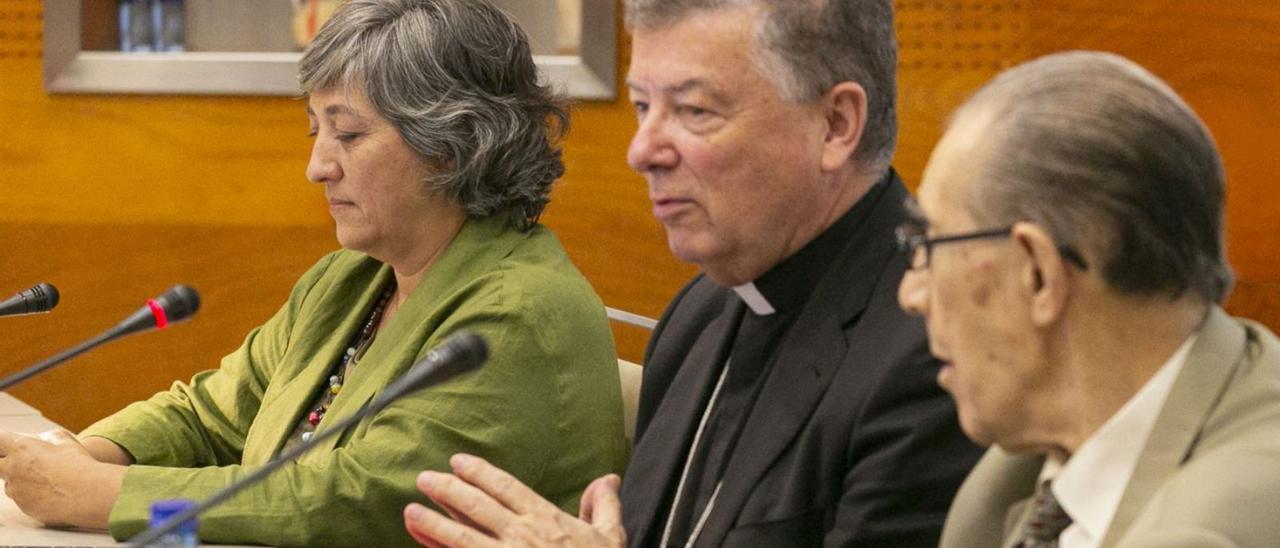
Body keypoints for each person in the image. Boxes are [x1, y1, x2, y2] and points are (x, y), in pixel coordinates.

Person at [0, 0, 628, 545]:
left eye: (348, 135)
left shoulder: (518, 312)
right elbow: (210, 416)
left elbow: (359, 501)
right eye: (314, 130)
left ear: (454, 143)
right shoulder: (351, 279)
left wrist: (101, 493)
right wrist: (81, 457)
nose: (317, 166)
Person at [402, 1, 982, 546]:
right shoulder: (699, 313)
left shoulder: (939, 349)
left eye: (693, 110)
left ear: (834, 124)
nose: (642, 149)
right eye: (642, 107)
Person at [895, 50, 1280, 547]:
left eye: (927, 244)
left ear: (1037, 274)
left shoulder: (1209, 530)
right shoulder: (1017, 477)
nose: (911, 293)